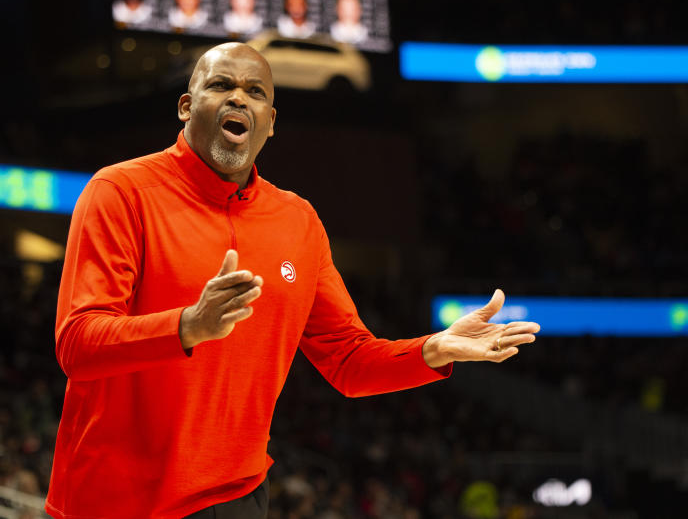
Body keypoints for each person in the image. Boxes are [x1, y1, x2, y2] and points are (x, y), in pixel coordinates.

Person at [45, 43, 540, 518]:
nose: (240, 97)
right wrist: (187, 326)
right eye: (221, 85)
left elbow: (348, 361)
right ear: (185, 106)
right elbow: (77, 344)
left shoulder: (297, 221)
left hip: (233, 495)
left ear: (271, 124)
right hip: (114, 498)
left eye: (256, 92)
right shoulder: (121, 192)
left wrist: (435, 348)